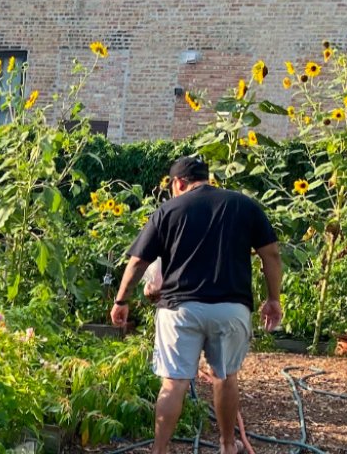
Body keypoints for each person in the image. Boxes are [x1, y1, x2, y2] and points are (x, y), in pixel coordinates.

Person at [111, 155, 283, 454]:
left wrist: (121, 300)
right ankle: (227, 446)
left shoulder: (168, 210)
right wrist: (273, 299)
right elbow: (272, 255)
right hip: (230, 307)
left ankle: (159, 451)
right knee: (225, 377)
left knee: (173, 383)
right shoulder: (244, 205)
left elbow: (138, 261)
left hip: (179, 310)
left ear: (178, 183)